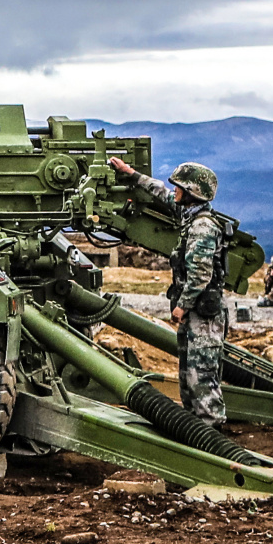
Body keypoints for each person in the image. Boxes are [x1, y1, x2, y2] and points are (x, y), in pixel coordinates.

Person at [108, 158, 230, 428]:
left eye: (180, 187)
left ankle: (212, 436)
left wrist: (182, 306)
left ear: (192, 193)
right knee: (188, 378)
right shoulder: (190, 216)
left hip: (203, 316)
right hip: (195, 315)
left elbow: (200, 275)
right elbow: (161, 193)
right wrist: (133, 174)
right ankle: (197, 431)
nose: (175, 191)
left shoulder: (202, 227)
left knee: (202, 379)